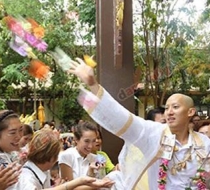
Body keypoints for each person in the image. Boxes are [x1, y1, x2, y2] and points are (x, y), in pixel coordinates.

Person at [68, 58, 210, 189]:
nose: (169, 112)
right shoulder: (154, 133)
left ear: (190, 112)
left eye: (175, 107)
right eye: (167, 108)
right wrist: (93, 84)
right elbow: (121, 117)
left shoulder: (204, 143)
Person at [16, 128, 114, 190]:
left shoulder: (44, 171)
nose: (91, 145)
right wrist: (80, 181)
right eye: (87, 141)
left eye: (94, 141)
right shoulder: (27, 177)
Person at [58, 121, 113, 189]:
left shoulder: (97, 158)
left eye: (93, 141)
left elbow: (101, 182)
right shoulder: (66, 156)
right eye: (86, 141)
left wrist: (91, 172)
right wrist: (98, 185)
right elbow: (69, 187)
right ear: (76, 139)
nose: (90, 146)